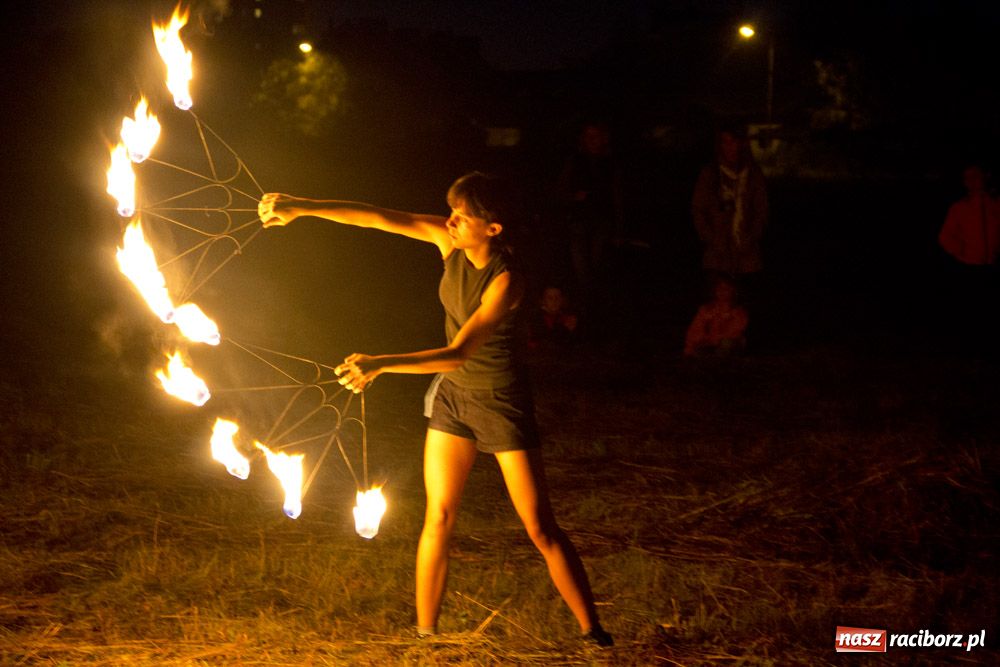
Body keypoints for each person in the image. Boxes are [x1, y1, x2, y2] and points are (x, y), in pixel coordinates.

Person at [257, 172, 612, 646]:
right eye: (451, 211)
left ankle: (593, 633)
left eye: (463, 217)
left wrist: (381, 364)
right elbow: (379, 218)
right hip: (454, 398)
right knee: (438, 516)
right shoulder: (450, 244)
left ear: (493, 228)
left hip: (499, 400)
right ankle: (426, 636)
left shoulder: (506, 281)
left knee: (539, 528)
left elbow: (459, 352)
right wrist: (304, 205)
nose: (451, 221)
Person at [691, 124, 768, 323]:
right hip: (718, 249)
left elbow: (761, 211)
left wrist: (751, 238)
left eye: (734, 142)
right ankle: (714, 339)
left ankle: (741, 339)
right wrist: (710, 238)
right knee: (716, 298)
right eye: (726, 142)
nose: (730, 147)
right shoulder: (710, 174)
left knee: (745, 300)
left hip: (746, 248)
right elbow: (698, 210)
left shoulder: (753, 175)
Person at [555, 122, 623, 338]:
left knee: (598, 270)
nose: (593, 141)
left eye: (597, 136)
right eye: (589, 137)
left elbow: (618, 196)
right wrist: (573, 198)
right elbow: (561, 191)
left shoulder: (610, 163)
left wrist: (620, 228)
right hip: (579, 223)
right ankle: (583, 322)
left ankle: (598, 322)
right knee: (582, 273)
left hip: (602, 224)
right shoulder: (575, 161)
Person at [683, 273, 748, 357]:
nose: (722, 291)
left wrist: (716, 340)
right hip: (708, 342)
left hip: (727, 344)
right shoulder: (706, 309)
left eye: (726, 289)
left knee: (726, 344)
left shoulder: (739, 312)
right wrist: (694, 343)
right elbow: (695, 328)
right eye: (719, 288)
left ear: (734, 291)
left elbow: (735, 332)